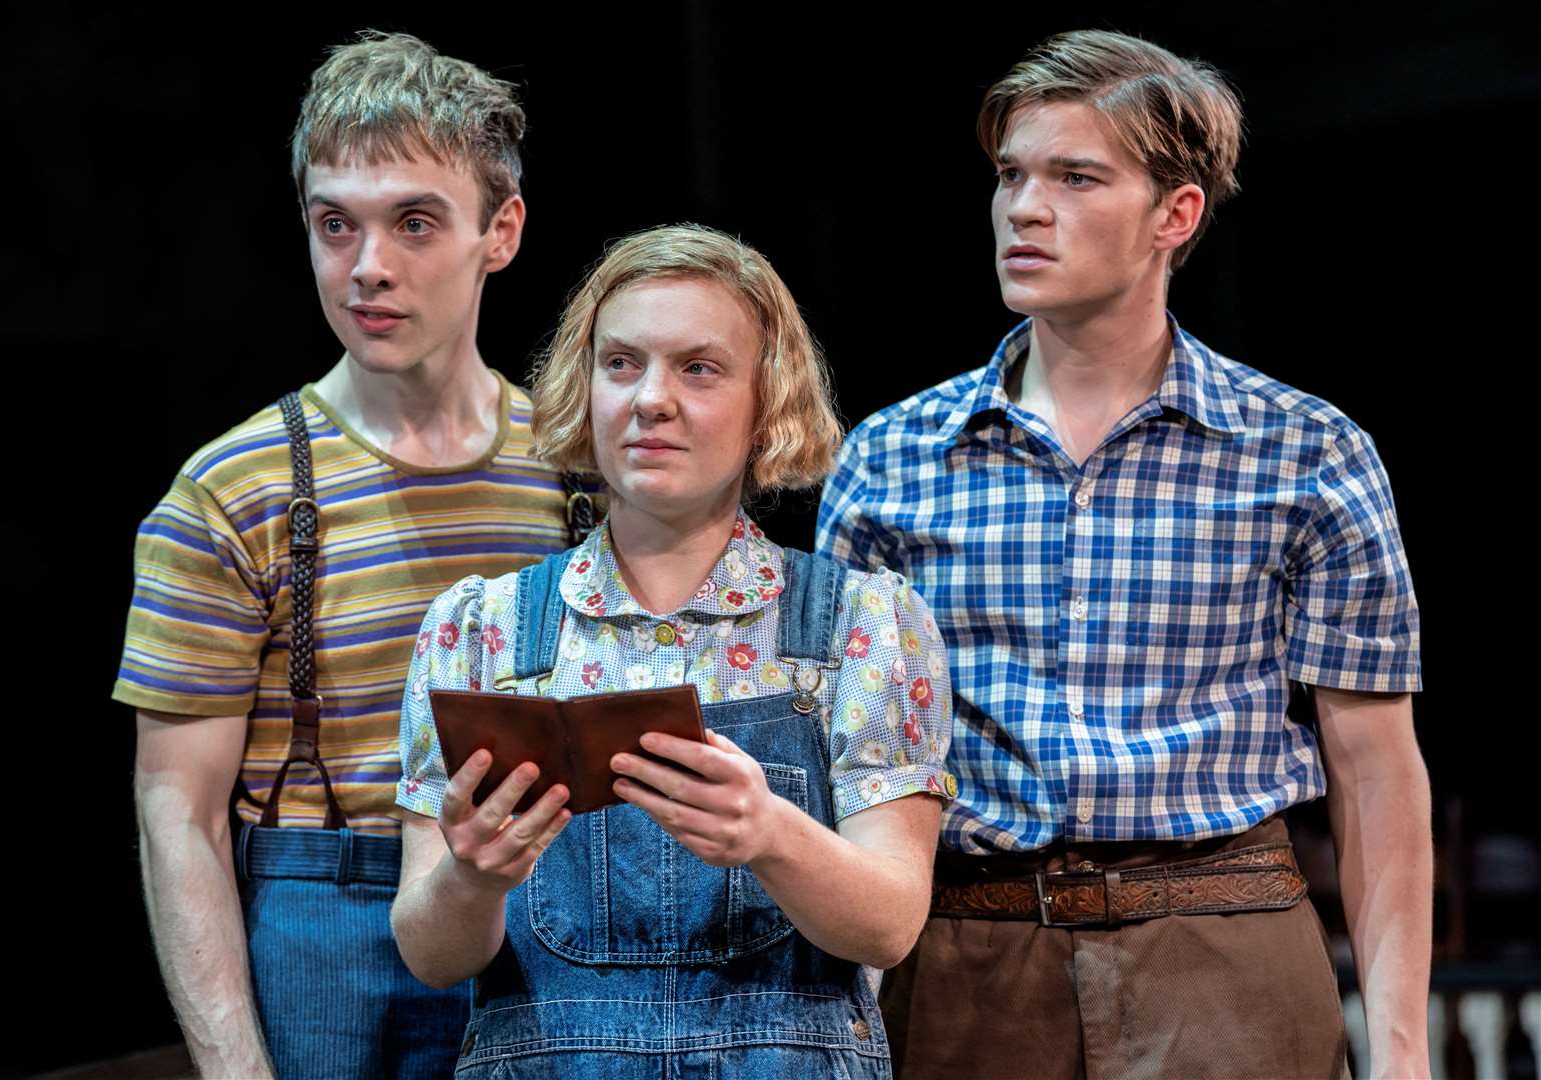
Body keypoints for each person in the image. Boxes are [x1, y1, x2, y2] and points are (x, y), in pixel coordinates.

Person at [817, 29, 1430, 1080]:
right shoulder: (892, 456)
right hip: (969, 950)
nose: (1024, 207)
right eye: (1011, 174)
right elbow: (847, 760)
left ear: (1174, 215)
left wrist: (1405, 1050)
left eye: (1076, 176)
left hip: (1224, 940)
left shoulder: (1305, 451)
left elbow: (1374, 771)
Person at [115, 32, 576, 1079]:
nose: (368, 266)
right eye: (336, 224)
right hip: (329, 922)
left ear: (499, 230)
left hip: (540, 921)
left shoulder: (576, 470)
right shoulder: (232, 493)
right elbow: (176, 813)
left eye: (414, 222)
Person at [392, 224, 958, 1077]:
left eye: (699, 368)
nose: (651, 398)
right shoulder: (481, 630)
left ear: (767, 399)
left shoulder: (860, 625)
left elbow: (889, 923)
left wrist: (771, 833)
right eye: (621, 363)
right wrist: (472, 878)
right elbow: (433, 954)